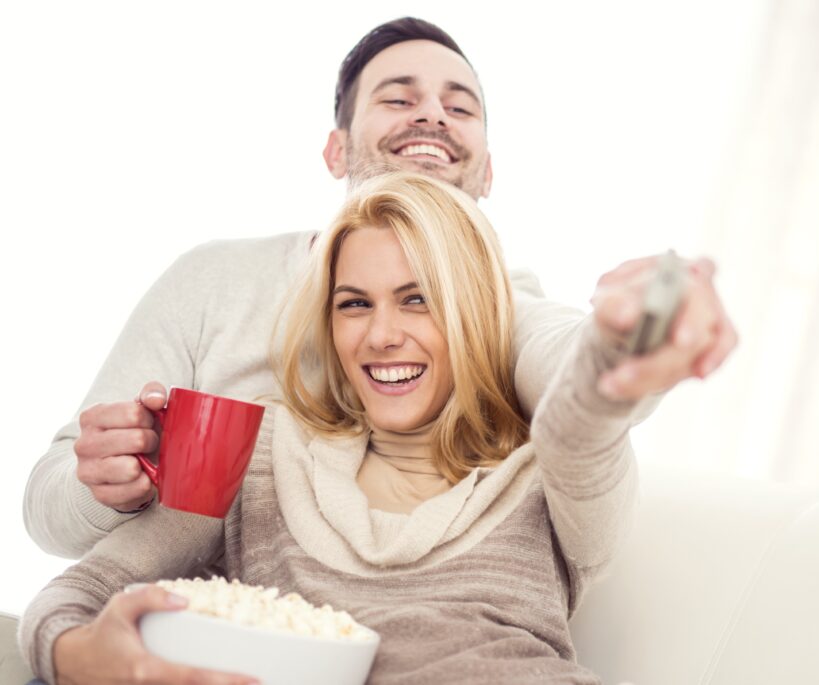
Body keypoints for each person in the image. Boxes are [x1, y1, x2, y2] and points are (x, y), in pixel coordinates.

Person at [24, 17, 736, 560]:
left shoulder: (500, 308)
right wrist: (103, 484)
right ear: (337, 151)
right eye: (399, 99)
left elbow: (571, 369)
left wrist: (636, 332)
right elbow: (47, 506)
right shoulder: (212, 280)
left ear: (487, 171)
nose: (432, 115)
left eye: (460, 108)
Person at [22, 172, 668, 684]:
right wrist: (75, 655)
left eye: (418, 298)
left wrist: (633, 336)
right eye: (354, 304)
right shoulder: (264, 452)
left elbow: (585, 420)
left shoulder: (547, 475)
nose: (382, 335)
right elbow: (82, 590)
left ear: (474, 310)